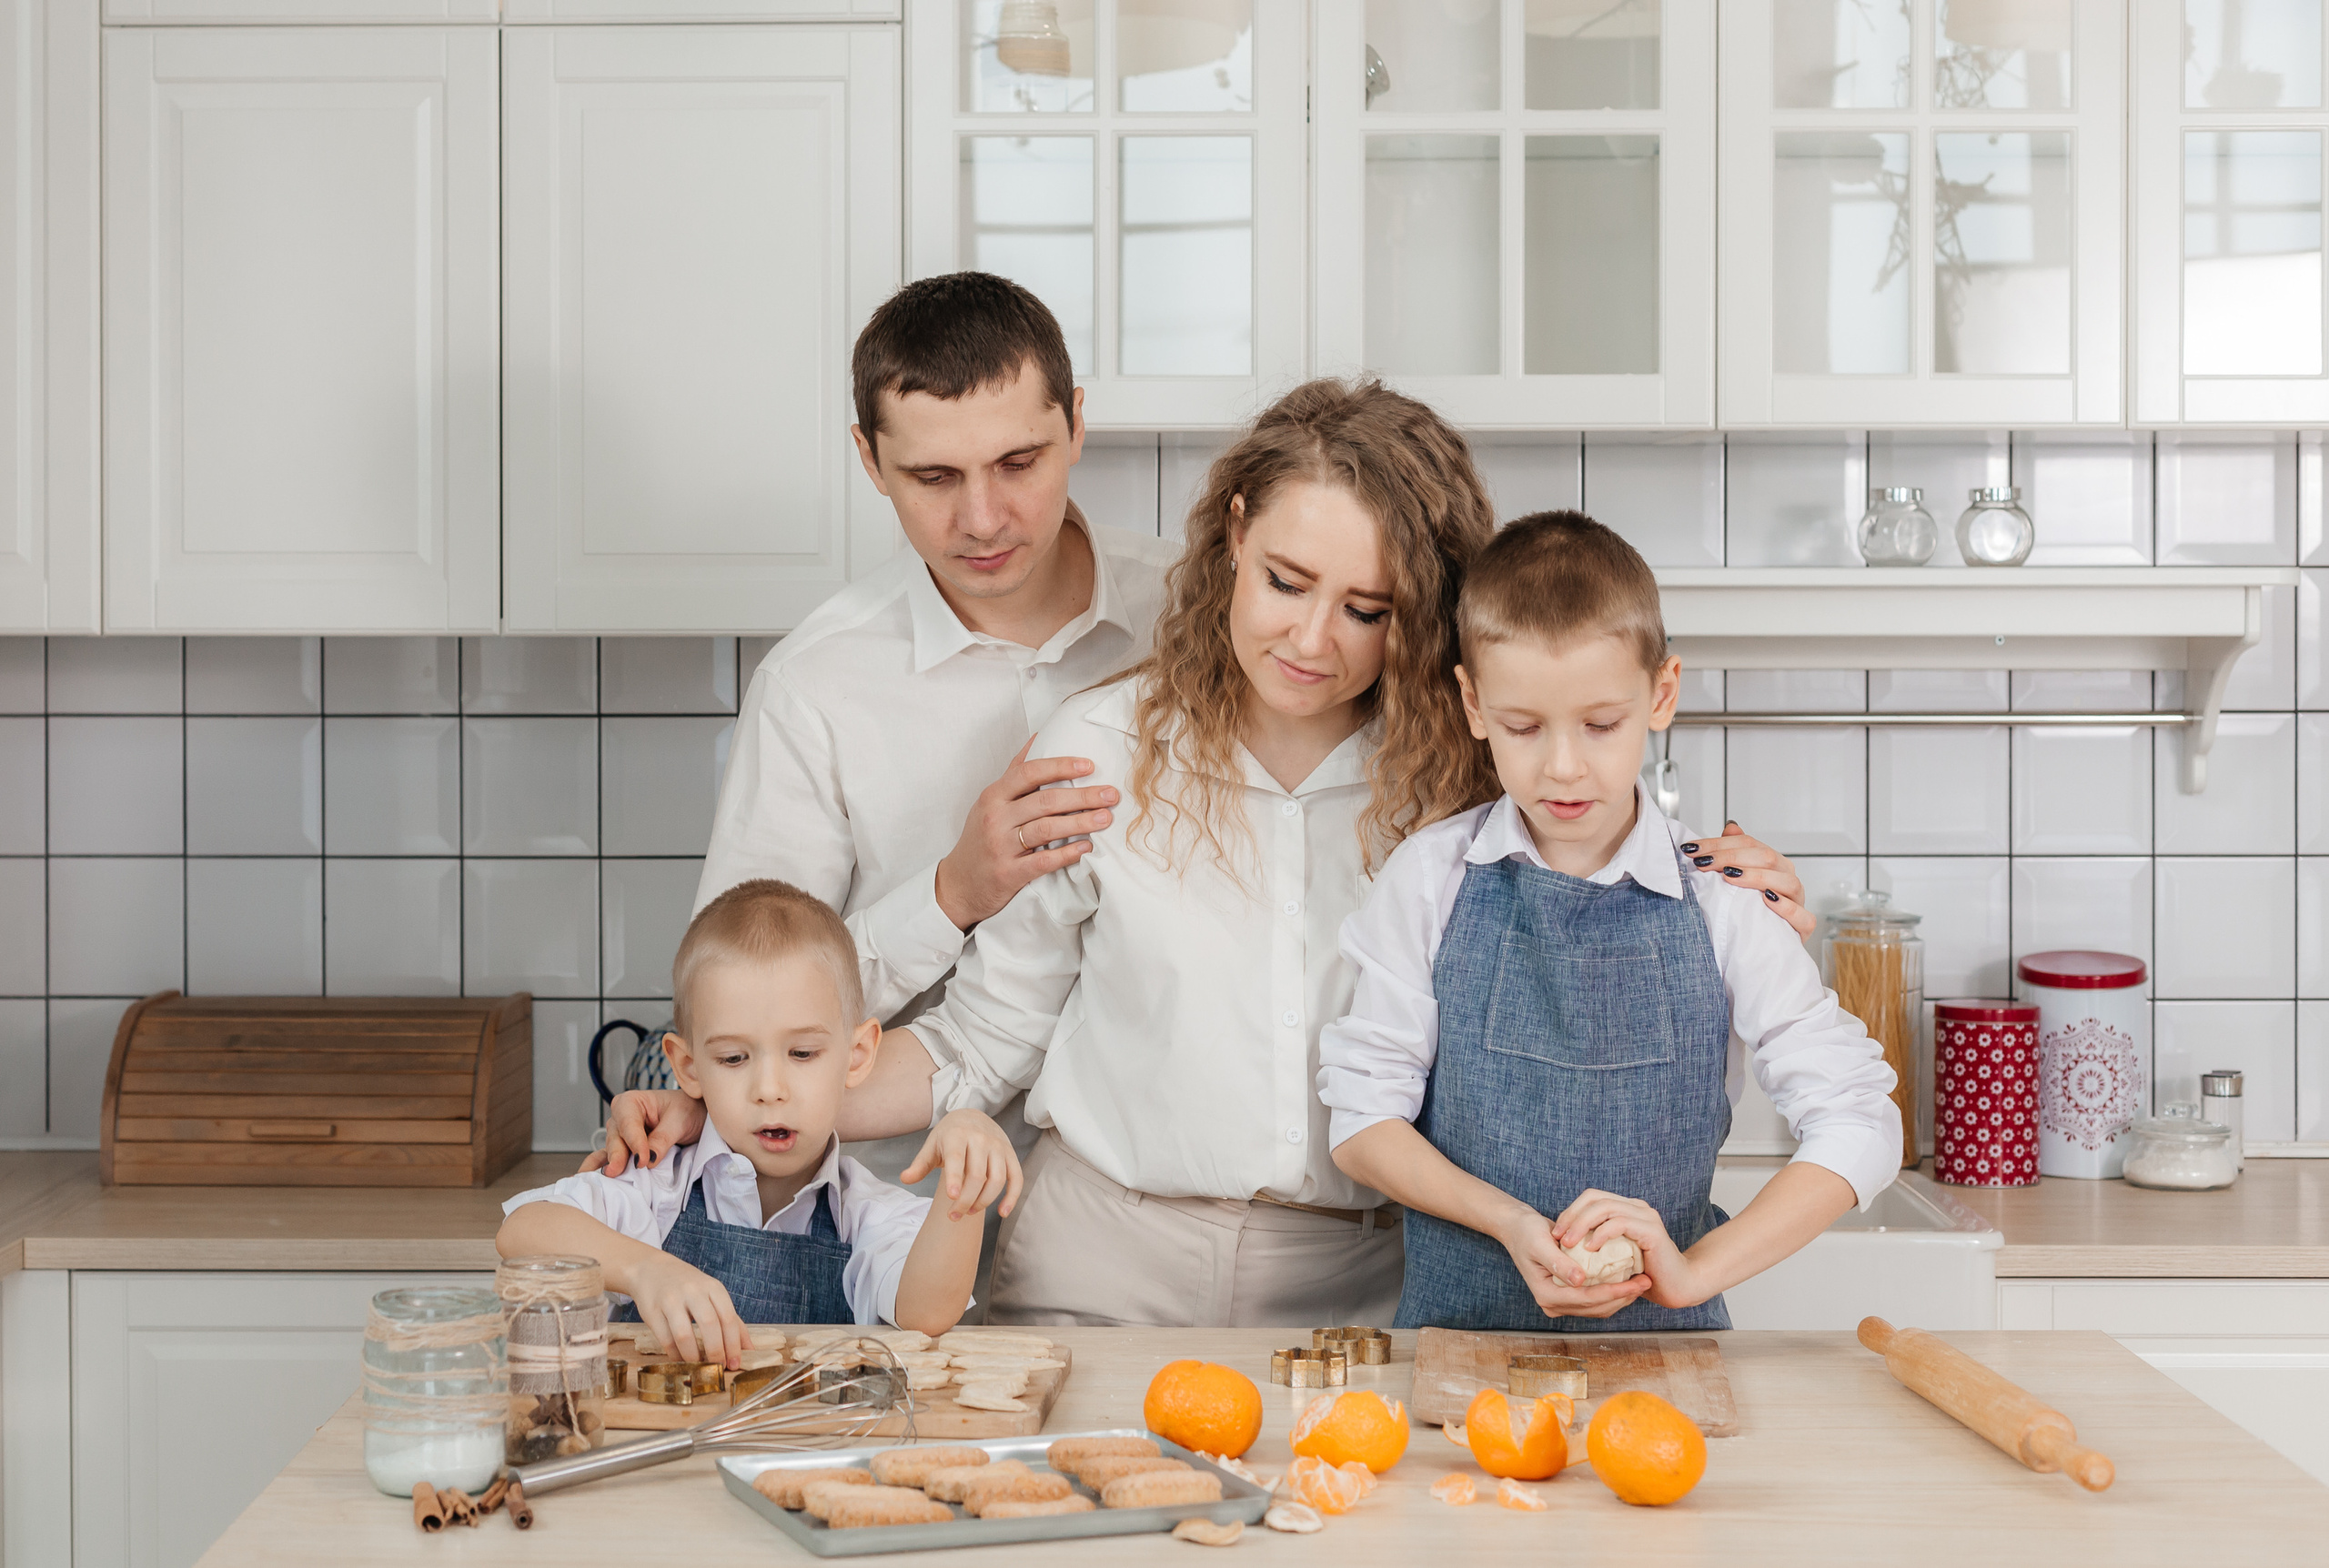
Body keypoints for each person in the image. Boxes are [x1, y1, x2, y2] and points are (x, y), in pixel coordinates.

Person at [590, 271, 1177, 1183]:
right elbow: (739, 995)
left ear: (1075, 425)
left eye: (1018, 463)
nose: (982, 518)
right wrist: (952, 892)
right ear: (869, 460)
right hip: (888, 1213)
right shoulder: (813, 685)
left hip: (1135, 1210)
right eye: (933, 476)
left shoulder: (1196, 619)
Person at [1319, 512, 1902, 1333]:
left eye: (1601, 725)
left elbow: (1860, 1120)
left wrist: (1695, 1273)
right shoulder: (1429, 879)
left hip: (1673, 1372)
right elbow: (1363, 1121)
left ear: (1661, 695)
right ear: (1473, 702)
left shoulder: (1726, 902)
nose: (1563, 766)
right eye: (1523, 727)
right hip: (1456, 1363)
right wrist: (1512, 1225)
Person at [502, 880, 1022, 1360]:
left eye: (801, 1053)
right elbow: (521, 1230)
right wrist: (644, 1269)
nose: (769, 1090)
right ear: (689, 1068)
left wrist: (963, 1186)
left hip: (813, 1452)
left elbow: (926, 1313)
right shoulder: (660, 1190)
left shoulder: (864, 1215)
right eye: (733, 1059)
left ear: (857, 1055)